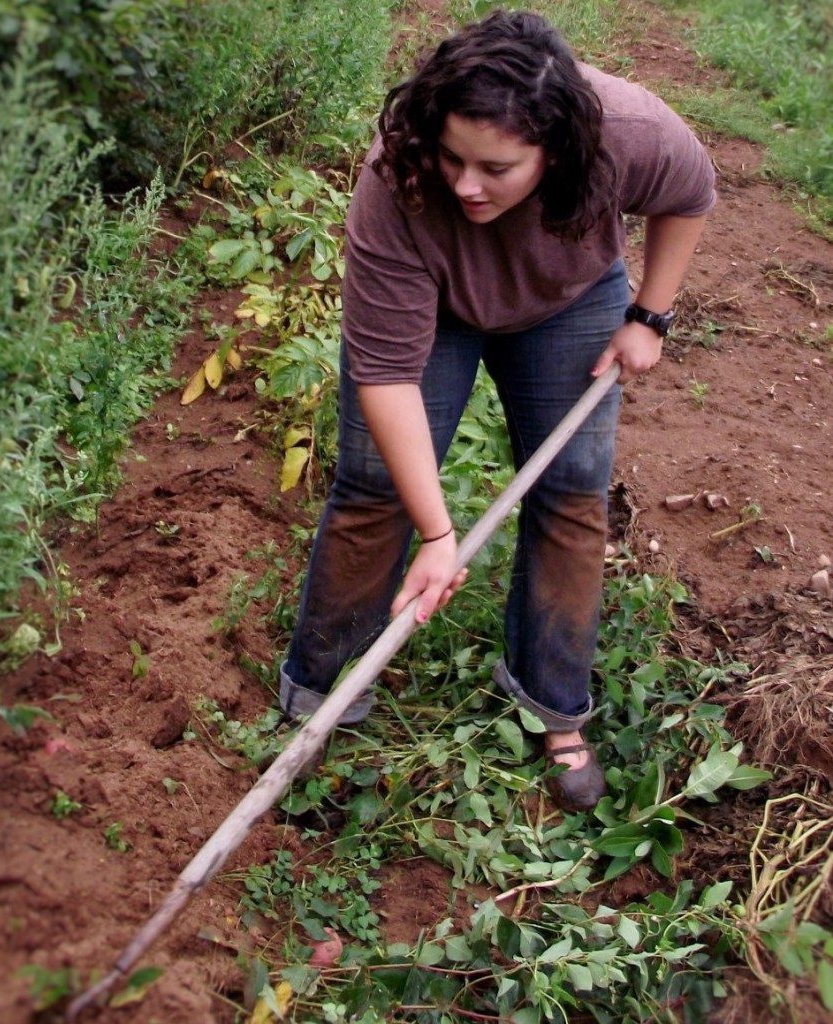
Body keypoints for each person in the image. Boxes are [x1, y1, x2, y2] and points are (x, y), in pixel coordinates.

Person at [278, 10, 715, 811]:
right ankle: (324, 686)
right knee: (375, 487)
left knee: (571, 490)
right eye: (452, 157)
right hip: (434, 310)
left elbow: (689, 194)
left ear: (557, 150)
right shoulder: (397, 178)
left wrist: (648, 317)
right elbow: (383, 374)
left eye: (495, 167)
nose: (465, 184)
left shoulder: (630, 132)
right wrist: (439, 535)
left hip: (568, 304)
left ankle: (553, 703)